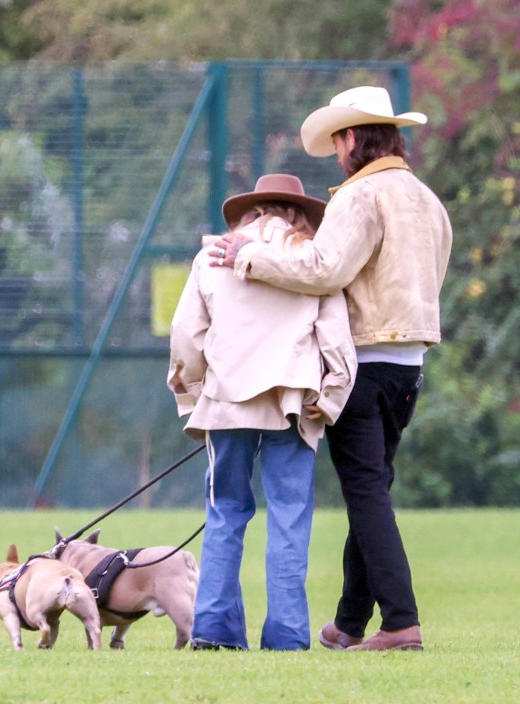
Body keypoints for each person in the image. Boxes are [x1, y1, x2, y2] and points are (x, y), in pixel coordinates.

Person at [212, 86, 453, 651]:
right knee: (373, 490)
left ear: (351, 138)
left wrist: (247, 256)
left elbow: (324, 269)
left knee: (367, 494)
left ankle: (401, 623)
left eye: (338, 142)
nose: (337, 154)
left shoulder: (360, 196)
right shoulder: (427, 200)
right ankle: (349, 623)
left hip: (364, 362)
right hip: (409, 366)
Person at [167, 174, 357, 651]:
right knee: (290, 516)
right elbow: (337, 341)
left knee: (224, 512)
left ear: (251, 211)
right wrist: (329, 397)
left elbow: (187, 335)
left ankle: (214, 629)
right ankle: (289, 635)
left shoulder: (212, 257)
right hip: (292, 403)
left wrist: (194, 397)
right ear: (297, 213)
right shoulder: (312, 261)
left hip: (227, 400)